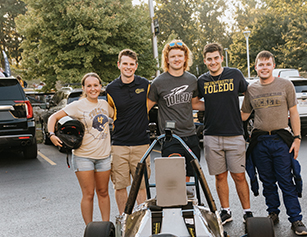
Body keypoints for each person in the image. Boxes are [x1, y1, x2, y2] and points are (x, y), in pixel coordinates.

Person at [241, 50, 307, 236]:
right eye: (260, 65)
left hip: (281, 140)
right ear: (255, 67)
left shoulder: (285, 85)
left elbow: (294, 113)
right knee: (267, 181)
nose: (264, 67)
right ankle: (273, 213)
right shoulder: (251, 89)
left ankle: (296, 219)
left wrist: (297, 138)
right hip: (260, 141)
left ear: (273, 66)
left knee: (286, 180)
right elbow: (244, 115)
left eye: (267, 64)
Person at [197, 42, 253, 224]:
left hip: (235, 133)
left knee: (239, 175)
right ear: (205, 61)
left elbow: (249, 93)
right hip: (212, 135)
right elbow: (194, 102)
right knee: (220, 176)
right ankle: (226, 211)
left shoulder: (234, 74)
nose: (213, 62)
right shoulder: (202, 81)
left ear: (221, 58)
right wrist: (212, 106)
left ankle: (247, 212)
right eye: (209, 59)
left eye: (216, 58)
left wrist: (244, 114)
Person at [48, 72, 114, 225]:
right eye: (89, 86)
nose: (93, 89)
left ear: (100, 87)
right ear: (84, 88)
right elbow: (53, 117)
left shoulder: (105, 105)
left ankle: (105, 229)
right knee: (88, 194)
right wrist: (51, 134)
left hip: (104, 156)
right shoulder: (78, 105)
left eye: (95, 85)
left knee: (103, 192)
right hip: (84, 156)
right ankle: (90, 230)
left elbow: (118, 118)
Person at [148, 39, 200, 181]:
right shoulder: (158, 82)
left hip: (190, 135)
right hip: (171, 138)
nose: (176, 59)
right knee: (173, 178)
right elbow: (145, 108)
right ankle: (176, 201)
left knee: (189, 176)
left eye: (179, 56)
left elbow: (195, 104)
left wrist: (221, 104)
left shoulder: (192, 80)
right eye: (173, 56)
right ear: (167, 59)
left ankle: (186, 201)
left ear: (185, 58)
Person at [106, 49, 150, 214]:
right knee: (120, 185)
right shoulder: (111, 89)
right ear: (119, 65)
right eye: (125, 63)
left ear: (136, 66)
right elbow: (110, 113)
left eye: (131, 64)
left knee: (141, 186)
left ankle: (142, 218)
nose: (128, 67)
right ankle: (124, 220)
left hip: (141, 144)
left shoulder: (145, 85)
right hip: (119, 145)